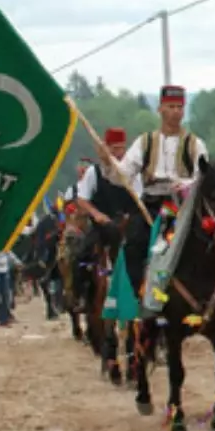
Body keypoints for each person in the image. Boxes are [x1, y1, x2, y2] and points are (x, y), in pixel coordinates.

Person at [108, 85, 208, 298]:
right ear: (160, 109)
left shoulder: (194, 144)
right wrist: (108, 163)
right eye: (171, 106)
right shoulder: (144, 142)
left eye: (179, 107)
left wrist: (187, 184)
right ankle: (139, 296)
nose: (175, 112)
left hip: (184, 208)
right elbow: (122, 176)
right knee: (132, 245)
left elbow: (204, 177)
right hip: (152, 205)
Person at [74, 127, 138, 308]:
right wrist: (96, 214)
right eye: (114, 149)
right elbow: (82, 199)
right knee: (80, 255)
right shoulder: (93, 172)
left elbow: (139, 198)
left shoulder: (132, 172)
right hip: (102, 225)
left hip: (128, 223)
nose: (118, 153)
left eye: (121, 149)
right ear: (106, 149)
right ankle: (82, 297)